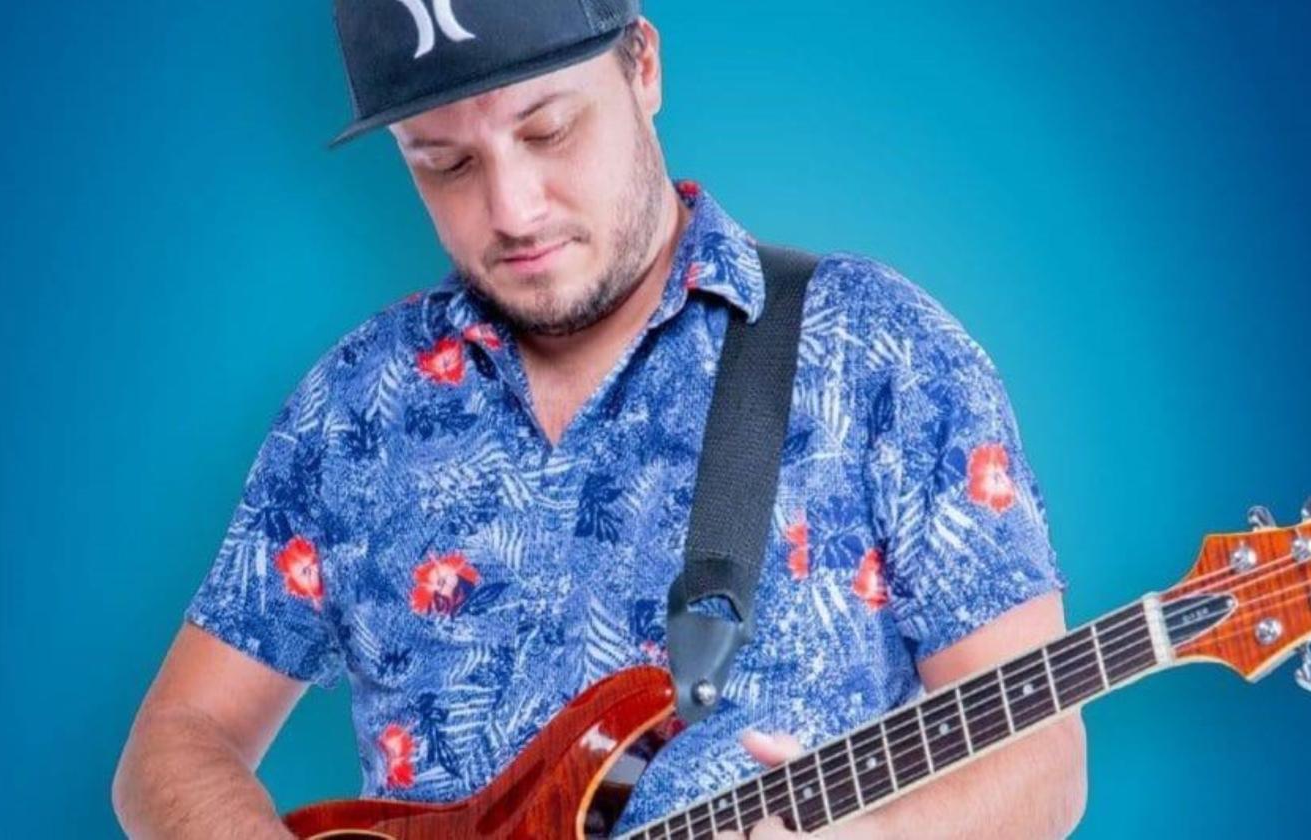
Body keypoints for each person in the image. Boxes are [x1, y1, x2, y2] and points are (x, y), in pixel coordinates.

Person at [113, 3, 1087, 838]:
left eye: (547, 131)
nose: (512, 208)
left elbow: (1041, 754)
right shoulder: (355, 405)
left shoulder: (877, 353)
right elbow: (176, 739)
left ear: (643, 65)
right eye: (445, 163)